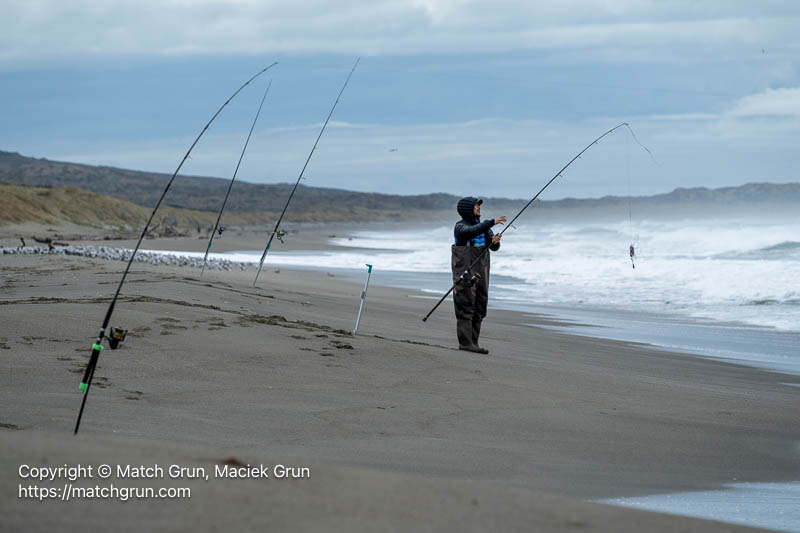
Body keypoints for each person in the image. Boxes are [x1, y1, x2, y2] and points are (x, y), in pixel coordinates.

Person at [452, 197, 506, 354]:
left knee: (480, 305)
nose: (479, 208)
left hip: (482, 270)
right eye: (476, 206)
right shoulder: (460, 226)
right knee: (465, 304)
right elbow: (469, 233)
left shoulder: (484, 228)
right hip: (464, 270)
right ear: (468, 209)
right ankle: (465, 343)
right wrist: (491, 222)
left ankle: (474, 343)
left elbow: (493, 247)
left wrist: (495, 242)